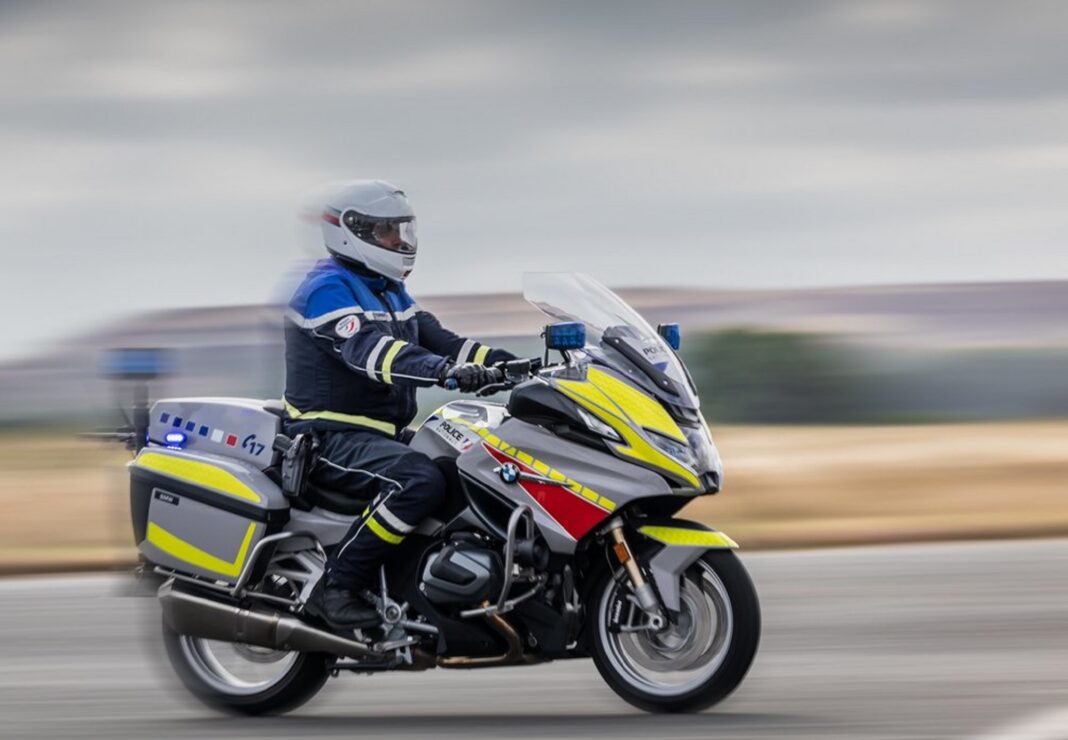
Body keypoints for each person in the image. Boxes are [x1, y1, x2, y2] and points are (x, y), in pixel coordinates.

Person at [284, 180, 515, 629]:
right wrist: (443, 372)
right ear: (354, 232)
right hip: (328, 437)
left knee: (468, 466)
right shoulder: (325, 289)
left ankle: (426, 588)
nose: (399, 242)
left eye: (403, 231)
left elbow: (442, 339)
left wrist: (510, 366)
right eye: (388, 232)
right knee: (417, 480)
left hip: (378, 434)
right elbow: (371, 353)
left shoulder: (387, 290)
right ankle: (338, 584)